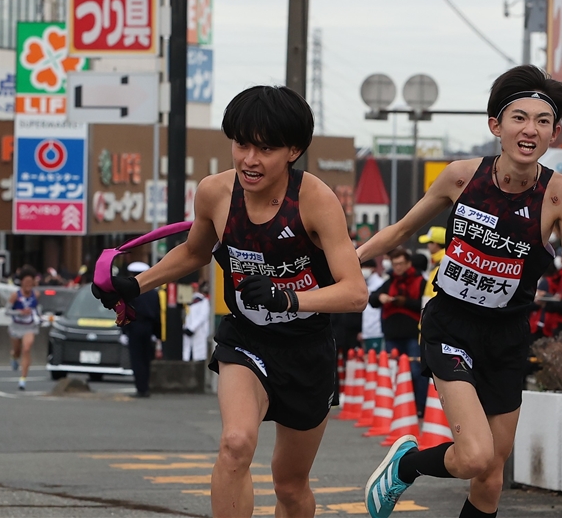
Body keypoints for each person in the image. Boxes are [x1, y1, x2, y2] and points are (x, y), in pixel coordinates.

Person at [91, 85, 367, 518]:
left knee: (290, 486)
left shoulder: (316, 200)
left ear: (293, 150)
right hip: (246, 340)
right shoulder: (215, 192)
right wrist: (136, 284)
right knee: (235, 443)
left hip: (306, 349)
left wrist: (287, 297)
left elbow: (355, 292)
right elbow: (196, 251)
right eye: (241, 144)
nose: (249, 160)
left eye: (266, 148)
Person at [357, 65, 562, 518]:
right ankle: (405, 465)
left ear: (554, 134)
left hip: (507, 336)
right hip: (451, 324)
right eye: (519, 118)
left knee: (490, 476)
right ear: (496, 126)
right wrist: (346, 263)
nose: (530, 130)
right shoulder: (462, 176)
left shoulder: (560, 193)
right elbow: (400, 231)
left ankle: (413, 464)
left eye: (542, 121)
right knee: (473, 455)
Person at [368, 247, 428, 417]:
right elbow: (372, 299)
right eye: (395, 264)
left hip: (412, 335)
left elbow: (425, 305)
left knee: (416, 372)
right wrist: (380, 298)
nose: (398, 267)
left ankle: (419, 407)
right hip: (392, 335)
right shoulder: (389, 282)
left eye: (401, 264)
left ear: (408, 263)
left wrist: (405, 302)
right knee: (392, 372)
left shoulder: (420, 281)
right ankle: (397, 408)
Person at [121, 261, 161, 397]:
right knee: (146, 358)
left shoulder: (129, 292)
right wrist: (157, 333)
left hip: (134, 327)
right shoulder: (153, 292)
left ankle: (140, 388)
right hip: (148, 328)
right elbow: (157, 314)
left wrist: (124, 331)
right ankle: (146, 387)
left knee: (137, 358)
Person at [7, 265, 40, 390]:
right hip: (16, 326)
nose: (28, 285)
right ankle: (13, 356)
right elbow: (7, 311)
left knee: (26, 348)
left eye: (30, 282)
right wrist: (20, 312)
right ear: (21, 282)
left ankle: (23, 379)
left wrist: (38, 317)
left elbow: (36, 309)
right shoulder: (15, 295)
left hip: (29, 326)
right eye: (26, 282)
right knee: (17, 351)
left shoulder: (36, 295)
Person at [359, 258, 386, 353]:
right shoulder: (365, 285)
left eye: (364, 267)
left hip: (377, 332)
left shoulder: (381, 284)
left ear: (373, 269)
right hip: (367, 333)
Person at [418, 226, 446, 306]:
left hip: (434, 314)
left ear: (435, 243)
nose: (427, 246)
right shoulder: (438, 261)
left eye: (428, 243)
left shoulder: (442, 263)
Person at [183, 283, 211, 362]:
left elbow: (203, 316)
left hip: (199, 330)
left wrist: (192, 328)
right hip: (187, 330)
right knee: (187, 352)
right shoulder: (188, 301)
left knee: (199, 352)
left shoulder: (202, 301)